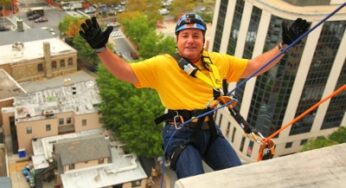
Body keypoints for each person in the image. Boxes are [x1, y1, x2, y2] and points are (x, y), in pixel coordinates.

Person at [79, 13, 309, 179]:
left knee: (240, 177)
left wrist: (284, 46)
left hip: (210, 131)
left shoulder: (216, 61)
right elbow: (127, 73)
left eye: (196, 35)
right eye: (185, 35)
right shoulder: (163, 65)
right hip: (179, 134)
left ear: (203, 41)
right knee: (194, 183)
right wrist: (101, 50)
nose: (190, 39)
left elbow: (253, 67)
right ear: (177, 41)